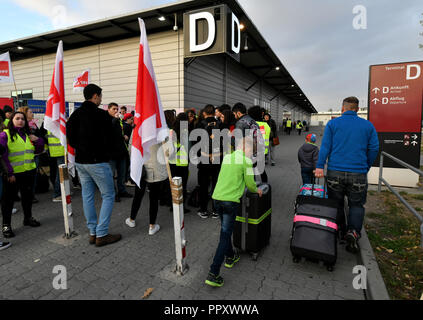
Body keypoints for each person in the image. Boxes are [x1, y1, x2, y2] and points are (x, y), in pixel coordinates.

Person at [315, 96, 379, 254]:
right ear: (357, 109)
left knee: (335, 204)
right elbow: (374, 148)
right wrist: (366, 166)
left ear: (342, 108)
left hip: (335, 172)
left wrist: (319, 166)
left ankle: (339, 231)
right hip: (358, 172)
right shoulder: (368, 125)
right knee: (356, 205)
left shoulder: (333, 124)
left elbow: (325, 147)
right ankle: (353, 232)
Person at [67, 84, 121, 247]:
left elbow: (70, 137)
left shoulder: (75, 115)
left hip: (81, 161)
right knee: (108, 195)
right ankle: (101, 233)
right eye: (100, 96)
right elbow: (111, 138)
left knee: (88, 196)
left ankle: (92, 232)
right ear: (95, 96)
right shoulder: (101, 115)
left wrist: (81, 148)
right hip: (97, 162)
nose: (101, 99)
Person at [205, 137, 263, 287]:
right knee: (224, 237)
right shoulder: (246, 161)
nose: (252, 155)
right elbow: (250, 185)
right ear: (247, 148)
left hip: (217, 199)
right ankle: (213, 273)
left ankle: (230, 257)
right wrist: (257, 190)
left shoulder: (227, 157)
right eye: (252, 152)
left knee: (225, 232)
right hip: (230, 202)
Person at [1, 112, 44, 238]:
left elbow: (38, 150)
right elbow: (2, 156)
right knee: (8, 201)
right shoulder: (5, 135)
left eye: (22, 119)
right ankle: (6, 225)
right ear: (11, 121)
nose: (20, 121)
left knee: (27, 198)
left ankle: (28, 218)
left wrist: (38, 140)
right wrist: (9, 172)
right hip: (12, 175)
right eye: (17, 118)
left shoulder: (28, 135)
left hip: (28, 173)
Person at [125, 143, 166, 235]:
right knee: (154, 198)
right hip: (156, 167)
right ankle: (152, 226)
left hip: (141, 166)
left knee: (138, 195)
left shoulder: (138, 129)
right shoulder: (161, 129)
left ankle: (132, 219)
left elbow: (131, 147)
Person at [195, 105, 222, 219]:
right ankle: (216, 211)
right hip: (217, 157)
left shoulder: (200, 124)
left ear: (205, 113)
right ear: (214, 113)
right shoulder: (220, 124)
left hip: (204, 158)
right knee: (217, 184)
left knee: (203, 185)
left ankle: (204, 210)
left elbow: (196, 142)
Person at [108, 103, 133, 202]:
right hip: (111, 153)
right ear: (109, 110)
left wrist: (124, 137)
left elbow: (118, 134)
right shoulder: (108, 120)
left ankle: (122, 190)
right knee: (110, 175)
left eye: (117, 109)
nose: (116, 111)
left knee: (122, 174)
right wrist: (115, 119)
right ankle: (112, 193)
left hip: (121, 151)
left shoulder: (119, 121)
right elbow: (108, 132)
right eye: (114, 109)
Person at [18, 106, 43, 203]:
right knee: (29, 177)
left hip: (35, 153)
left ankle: (31, 195)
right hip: (28, 156)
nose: (32, 114)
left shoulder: (33, 125)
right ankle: (29, 196)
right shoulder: (25, 128)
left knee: (33, 177)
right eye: (30, 112)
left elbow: (39, 137)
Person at [168, 113, 190, 213]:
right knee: (182, 186)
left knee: (174, 185)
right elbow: (188, 147)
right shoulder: (185, 132)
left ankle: (172, 205)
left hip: (172, 162)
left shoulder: (171, 131)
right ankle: (181, 207)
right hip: (182, 163)